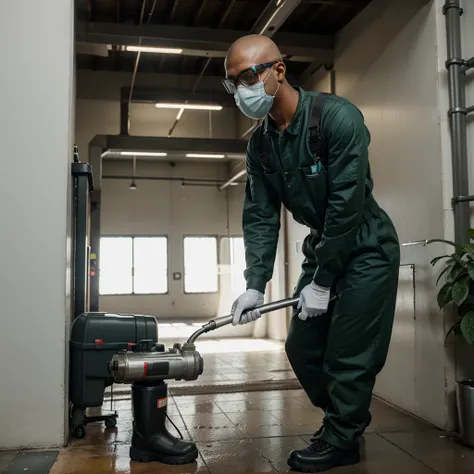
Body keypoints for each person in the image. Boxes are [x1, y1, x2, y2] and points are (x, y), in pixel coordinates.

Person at [224, 35, 400, 473]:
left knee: (348, 353)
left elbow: (346, 204)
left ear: (279, 70)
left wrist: (322, 282)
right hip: (323, 245)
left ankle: (342, 437)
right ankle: (346, 417)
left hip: (365, 244)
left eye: (249, 75)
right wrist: (253, 284)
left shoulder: (337, 119)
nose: (242, 89)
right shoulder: (260, 145)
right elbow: (260, 217)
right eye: (232, 82)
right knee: (302, 347)